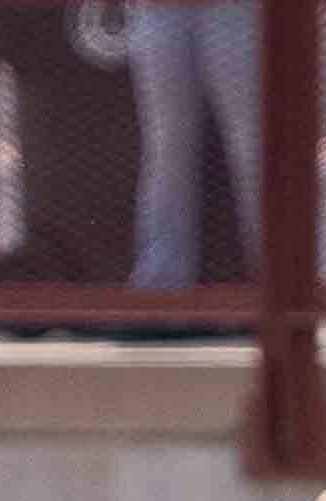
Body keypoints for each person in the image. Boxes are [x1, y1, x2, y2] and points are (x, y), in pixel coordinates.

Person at [128, 1, 263, 293]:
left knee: (253, 144)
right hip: (159, 10)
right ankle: (160, 284)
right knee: (166, 147)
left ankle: (276, 279)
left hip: (233, 10)